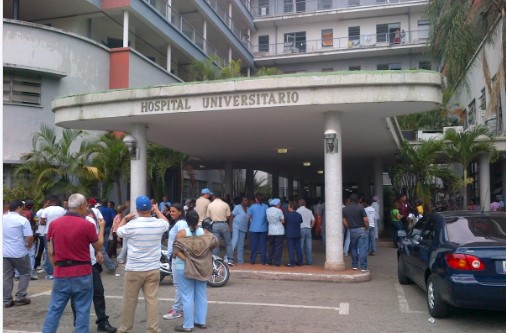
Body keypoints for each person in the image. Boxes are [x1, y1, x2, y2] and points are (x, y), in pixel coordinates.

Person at [42, 193, 105, 333]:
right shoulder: (87, 224)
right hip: (82, 272)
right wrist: (101, 228)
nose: (87, 209)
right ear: (82, 206)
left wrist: (56, 268)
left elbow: (50, 251)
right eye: (86, 206)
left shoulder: (54, 224)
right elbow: (98, 246)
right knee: (82, 310)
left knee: (54, 309)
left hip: (61, 272)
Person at [116, 195, 170, 333]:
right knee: (152, 300)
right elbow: (166, 222)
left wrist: (124, 218)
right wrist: (157, 210)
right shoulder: (159, 224)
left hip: (134, 269)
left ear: (137, 209)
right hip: (153, 268)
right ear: (150, 208)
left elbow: (118, 231)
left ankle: (126, 329)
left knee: (129, 301)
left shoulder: (132, 225)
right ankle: (153, 329)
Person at [71, 208, 117, 333]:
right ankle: (78, 324)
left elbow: (95, 239)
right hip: (76, 264)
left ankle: (102, 321)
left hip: (91, 262)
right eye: (84, 206)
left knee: (98, 292)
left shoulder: (90, 221)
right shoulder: (68, 221)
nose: (87, 209)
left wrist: (98, 251)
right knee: (76, 295)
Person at [172, 209, 218, 332]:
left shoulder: (181, 233)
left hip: (184, 267)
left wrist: (188, 259)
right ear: (198, 221)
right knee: (201, 295)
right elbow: (214, 243)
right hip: (202, 267)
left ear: (186, 220)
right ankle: (201, 322)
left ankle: (187, 325)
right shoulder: (205, 232)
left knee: (187, 296)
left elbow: (176, 251)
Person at [3, 199, 34, 308]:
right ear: (19, 207)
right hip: (19, 252)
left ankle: (6, 300)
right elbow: (29, 236)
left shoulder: (2, 218)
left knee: (6, 276)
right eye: (22, 208)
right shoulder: (22, 220)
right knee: (25, 273)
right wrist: (29, 246)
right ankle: (20, 297)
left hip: (4, 253)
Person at [163, 203, 187, 320]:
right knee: (179, 285)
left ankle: (177, 309)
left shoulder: (181, 223)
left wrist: (176, 253)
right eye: (170, 211)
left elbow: (182, 240)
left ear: (180, 212)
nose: (171, 213)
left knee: (178, 285)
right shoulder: (178, 223)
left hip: (177, 257)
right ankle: (180, 308)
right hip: (175, 256)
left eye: (173, 211)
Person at [40, 196, 66, 279]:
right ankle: (60, 269)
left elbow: (42, 222)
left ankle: (50, 272)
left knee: (49, 252)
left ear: (50, 202)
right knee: (59, 251)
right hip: (59, 232)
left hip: (47, 232)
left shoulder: (46, 210)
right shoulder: (62, 210)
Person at [342, 193, 369, 272]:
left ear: (349, 200)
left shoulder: (345, 209)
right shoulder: (361, 208)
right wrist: (367, 228)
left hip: (352, 230)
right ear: (357, 200)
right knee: (362, 248)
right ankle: (363, 267)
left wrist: (348, 227)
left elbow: (343, 220)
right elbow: (366, 220)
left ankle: (354, 265)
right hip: (361, 229)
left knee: (353, 248)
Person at [206, 191, 234, 265]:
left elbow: (208, 216)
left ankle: (216, 261)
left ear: (214, 196)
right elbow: (228, 216)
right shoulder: (225, 204)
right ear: (220, 196)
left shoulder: (210, 205)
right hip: (224, 224)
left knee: (216, 243)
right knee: (228, 243)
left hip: (214, 224)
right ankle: (230, 260)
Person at [248, 193, 268, 265]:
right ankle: (263, 260)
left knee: (254, 245)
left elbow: (249, 216)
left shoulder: (252, 207)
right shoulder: (266, 207)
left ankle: (252, 260)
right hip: (263, 228)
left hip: (254, 228)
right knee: (263, 245)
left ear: (256, 199)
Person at [266, 198, 285, 266]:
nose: (280, 205)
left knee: (271, 246)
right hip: (279, 231)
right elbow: (283, 221)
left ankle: (269, 261)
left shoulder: (267, 210)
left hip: (271, 230)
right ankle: (277, 262)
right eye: (279, 204)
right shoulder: (279, 211)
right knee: (278, 247)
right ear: (277, 204)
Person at [231, 197, 249, 264]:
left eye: (247, 200)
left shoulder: (249, 209)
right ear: (242, 202)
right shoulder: (237, 207)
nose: (247, 201)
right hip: (236, 226)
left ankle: (240, 260)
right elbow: (231, 216)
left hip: (243, 228)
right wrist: (230, 227)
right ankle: (228, 258)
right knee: (234, 241)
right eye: (245, 200)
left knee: (241, 244)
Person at [296, 199, 315, 265]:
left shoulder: (297, 211)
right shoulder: (309, 211)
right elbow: (313, 220)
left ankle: (300, 261)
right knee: (309, 247)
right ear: (305, 204)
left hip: (301, 229)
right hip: (308, 229)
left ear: (299, 204)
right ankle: (309, 261)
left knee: (300, 246)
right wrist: (311, 227)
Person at [284, 201, 303, 267]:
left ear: (291, 207)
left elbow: (285, 223)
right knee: (298, 248)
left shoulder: (287, 215)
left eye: (289, 207)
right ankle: (300, 261)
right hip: (297, 233)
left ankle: (292, 262)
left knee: (291, 248)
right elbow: (301, 221)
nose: (288, 208)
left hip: (289, 233)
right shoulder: (299, 215)